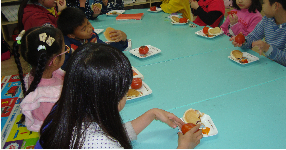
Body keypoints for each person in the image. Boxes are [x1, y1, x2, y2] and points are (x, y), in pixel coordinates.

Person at [38, 43, 203, 148]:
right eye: (124, 92)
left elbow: (112, 135)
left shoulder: (68, 108)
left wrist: (151, 114)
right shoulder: (99, 143)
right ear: (107, 100)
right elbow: (106, 142)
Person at [230, 0, 286, 78]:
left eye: (264, 2)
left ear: (276, 6)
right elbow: (252, 37)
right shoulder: (267, 20)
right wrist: (243, 41)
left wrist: (267, 48)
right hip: (271, 68)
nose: (262, 5)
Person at [12, 26, 67, 132]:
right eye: (65, 50)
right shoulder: (49, 99)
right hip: (55, 131)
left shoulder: (38, 73)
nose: (66, 52)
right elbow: (58, 126)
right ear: (54, 61)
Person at [57, 7, 128, 69]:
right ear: (71, 35)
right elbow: (64, 67)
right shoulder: (66, 47)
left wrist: (122, 40)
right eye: (84, 29)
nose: (89, 28)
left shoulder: (91, 36)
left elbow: (106, 50)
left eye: (88, 23)